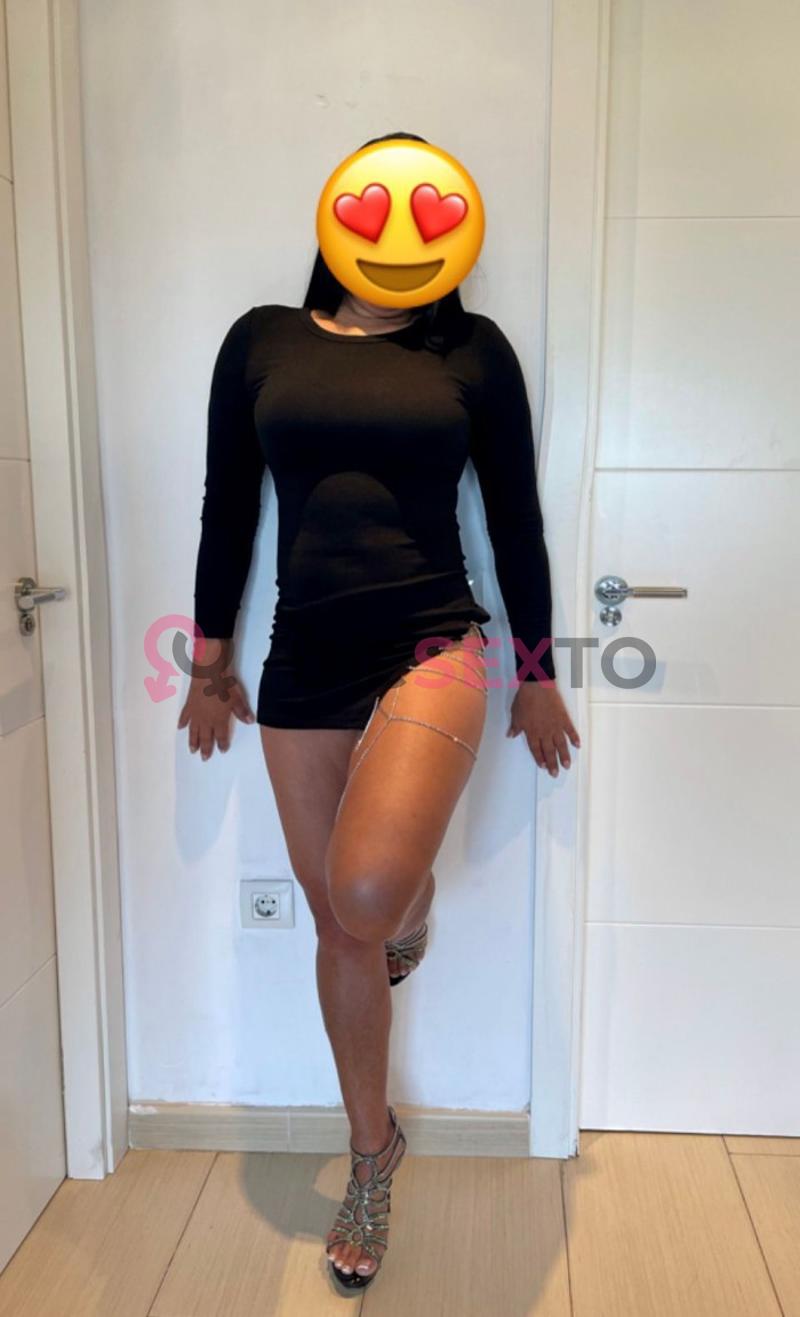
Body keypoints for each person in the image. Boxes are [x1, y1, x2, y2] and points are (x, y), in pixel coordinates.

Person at [178, 131, 580, 1293]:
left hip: (433, 642)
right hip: (301, 654)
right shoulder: (261, 341)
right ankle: (372, 1155)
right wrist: (208, 661)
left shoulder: (473, 352)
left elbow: (513, 515)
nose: (397, 237)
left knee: (367, 894)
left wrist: (535, 670)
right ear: (333, 220)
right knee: (338, 925)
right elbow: (226, 505)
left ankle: (413, 901)